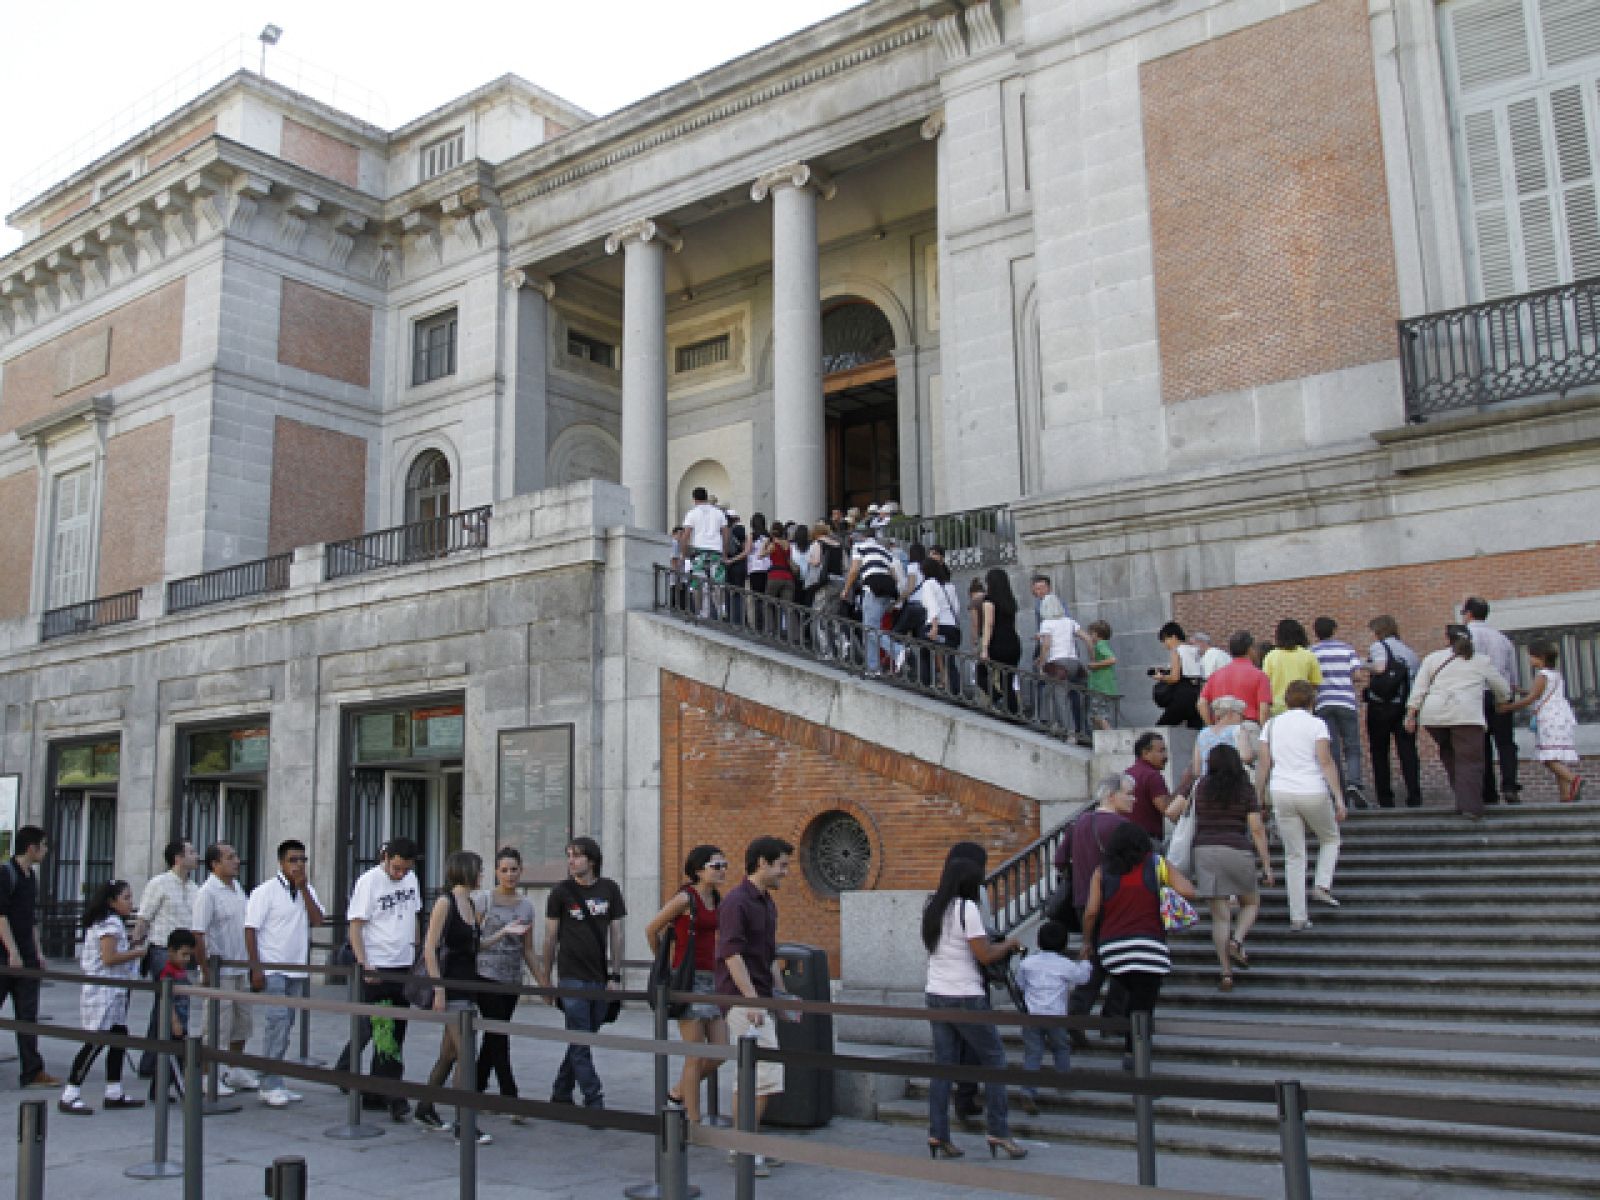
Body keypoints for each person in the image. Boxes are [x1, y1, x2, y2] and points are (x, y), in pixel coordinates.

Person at [921, 855, 1025, 1161]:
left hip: (936, 992)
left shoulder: (932, 906)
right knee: (995, 1060)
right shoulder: (967, 909)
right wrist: (1010, 945)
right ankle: (999, 1131)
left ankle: (938, 1134)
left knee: (944, 1067)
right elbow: (984, 954)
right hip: (965, 995)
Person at [1079, 823, 1194, 1064]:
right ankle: (1135, 1053)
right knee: (1144, 1001)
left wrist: (1087, 941)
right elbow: (1188, 890)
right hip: (1149, 945)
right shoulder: (1155, 863)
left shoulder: (1102, 871)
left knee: (1131, 991)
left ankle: (1126, 1034)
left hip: (1112, 947)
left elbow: (1091, 912)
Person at [715, 836, 793, 1177]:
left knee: (755, 1074)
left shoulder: (766, 902)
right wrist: (751, 1000)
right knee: (758, 1074)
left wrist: (782, 995)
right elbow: (731, 954)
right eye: (782, 865)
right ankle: (743, 1148)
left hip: (759, 998)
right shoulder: (737, 902)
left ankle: (748, 1145)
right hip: (743, 1000)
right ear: (762, 862)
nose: (786, 872)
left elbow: (769, 955)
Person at [1166, 744, 1272, 992]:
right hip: (1237, 849)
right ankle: (1237, 940)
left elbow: (1172, 813)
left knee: (1219, 917)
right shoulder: (1245, 789)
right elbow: (1256, 828)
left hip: (1205, 851)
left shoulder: (1199, 786)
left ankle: (1225, 973)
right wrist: (1266, 863)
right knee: (1251, 902)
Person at [337, 837, 421, 1123]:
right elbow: (356, 926)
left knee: (394, 1028)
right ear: (386, 857)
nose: (400, 874)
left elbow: (414, 916)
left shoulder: (411, 881)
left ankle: (368, 1085)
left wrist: (416, 954)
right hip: (378, 964)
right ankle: (394, 1094)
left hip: (403, 963)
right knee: (385, 1030)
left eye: (405, 869)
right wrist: (365, 964)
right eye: (396, 868)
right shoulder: (369, 882)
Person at [644, 844, 729, 1124]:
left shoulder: (716, 898)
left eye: (723, 865)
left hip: (711, 979)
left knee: (719, 1051)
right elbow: (652, 928)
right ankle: (693, 1121)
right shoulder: (685, 898)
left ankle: (678, 1093)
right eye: (715, 866)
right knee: (694, 1055)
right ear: (698, 870)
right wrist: (665, 964)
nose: (721, 870)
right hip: (688, 980)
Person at [542, 836, 626, 1109]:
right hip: (570, 975)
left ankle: (561, 1091)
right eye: (568, 855)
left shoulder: (609, 889)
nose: (571, 861)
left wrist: (615, 976)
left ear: (591, 860)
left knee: (583, 1036)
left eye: (576, 856)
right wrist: (545, 978)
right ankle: (594, 1097)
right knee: (580, 1035)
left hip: (599, 976)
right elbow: (550, 937)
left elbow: (617, 934)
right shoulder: (561, 892)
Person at [414, 851, 492, 1145]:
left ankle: (425, 1107)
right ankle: (464, 1124)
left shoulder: (470, 903)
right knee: (466, 1056)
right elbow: (429, 947)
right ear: (467, 871)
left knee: (449, 1054)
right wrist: (439, 988)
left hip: (468, 985)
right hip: (452, 989)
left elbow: (473, 946)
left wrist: (502, 934)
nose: (482, 874)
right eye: (480, 869)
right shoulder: (445, 903)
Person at [1259, 680, 1347, 929]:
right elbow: (1326, 761)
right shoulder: (1317, 724)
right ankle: (1322, 884)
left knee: (1294, 856)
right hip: (1312, 789)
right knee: (1330, 838)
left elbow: (1264, 764)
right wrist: (1338, 797)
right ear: (1312, 700)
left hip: (1281, 790)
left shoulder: (1272, 725)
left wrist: (1258, 797)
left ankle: (1298, 916)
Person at [244, 839, 325, 1108]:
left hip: (296, 968)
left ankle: (274, 1076)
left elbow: (317, 920)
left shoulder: (306, 889)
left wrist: (304, 890)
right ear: (281, 862)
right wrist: (256, 967)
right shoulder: (264, 892)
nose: (298, 865)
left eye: (302, 860)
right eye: (293, 860)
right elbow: (251, 929)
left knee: (287, 1023)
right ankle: (269, 1082)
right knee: (276, 1022)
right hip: (274, 966)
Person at [58, 880, 146, 1115]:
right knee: (97, 1039)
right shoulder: (109, 923)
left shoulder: (112, 922)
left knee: (119, 1036)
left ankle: (114, 1090)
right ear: (112, 901)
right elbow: (108, 958)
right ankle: (71, 1092)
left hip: (114, 989)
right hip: (103, 990)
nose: (131, 903)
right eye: (126, 898)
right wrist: (136, 952)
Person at [1406, 625, 1512, 821]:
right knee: (1470, 761)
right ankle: (1470, 807)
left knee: (1450, 756)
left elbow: (1419, 689)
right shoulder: (1480, 660)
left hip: (1434, 715)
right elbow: (1502, 688)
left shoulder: (1432, 658)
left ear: (1447, 639)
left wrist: (1411, 714)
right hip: (1466, 715)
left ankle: (1463, 800)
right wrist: (1502, 701)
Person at [1064, 775, 1136, 1047]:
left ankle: (1078, 1011)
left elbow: (1061, 860)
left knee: (1094, 959)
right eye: (1128, 794)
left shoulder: (1079, 824)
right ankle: (1113, 1019)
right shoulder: (1123, 827)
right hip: (1117, 903)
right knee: (1122, 960)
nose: (1133, 799)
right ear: (1111, 795)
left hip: (1083, 902)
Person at [474, 847, 544, 1109]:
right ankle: (509, 1095)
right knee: (499, 1035)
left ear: (521, 871)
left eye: (514, 869)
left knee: (494, 1035)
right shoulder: (484, 900)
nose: (509, 875)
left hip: (512, 978)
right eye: (504, 870)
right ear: (496, 872)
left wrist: (543, 982)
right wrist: (502, 932)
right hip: (485, 975)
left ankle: (477, 1087)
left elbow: (528, 949)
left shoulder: (526, 906)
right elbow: (474, 941)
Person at [190, 841, 257, 1095]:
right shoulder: (207, 893)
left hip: (240, 966)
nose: (236, 861)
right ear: (215, 864)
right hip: (220, 968)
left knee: (242, 1022)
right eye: (230, 857)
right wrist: (206, 970)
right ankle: (209, 1074)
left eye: (236, 856)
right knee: (217, 1023)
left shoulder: (237, 888)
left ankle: (235, 1068)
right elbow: (199, 933)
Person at [1, 825, 60, 1090]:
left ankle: (32, 1071)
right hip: (4, 957)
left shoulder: (30, 877)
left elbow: (30, 919)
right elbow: (1, 916)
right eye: (43, 846)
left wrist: (37, 952)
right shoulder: (6, 873)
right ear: (31, 848)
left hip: (26, 957)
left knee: (28, 1016)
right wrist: (12, 951)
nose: (46, 851)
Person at [134, 837, 199, 1079]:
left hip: (184, 952)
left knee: (163, 1007)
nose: (196, 855)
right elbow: (144, 917)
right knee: (175, 1002)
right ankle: (172, 1058)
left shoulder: (194, 888)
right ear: (178, 858)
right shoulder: (159, 883)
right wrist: (136, 942)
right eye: (191, 851)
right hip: (162, 949)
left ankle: (152, 1061)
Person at [1013, 920, 1091, 1115]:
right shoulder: (1065, 964)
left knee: (1033, 1053)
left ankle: (1028, 1090)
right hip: (1056, 1016)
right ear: (1064, 944)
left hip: (1032, 1015)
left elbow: (1019, 984)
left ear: (1038, 942)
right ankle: (1062, 1082)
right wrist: (1085, 961)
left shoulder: (1027, 963)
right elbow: (1083, 977)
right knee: (1061, 1048)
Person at [1499, 641, 1583, 803]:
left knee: (1548, 758)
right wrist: (1520, 690)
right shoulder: (1555, 674)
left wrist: (1508, 708)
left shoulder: (1542, 675)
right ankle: (1565, 795)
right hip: (1561, 717)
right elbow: (1539, 692)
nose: (1530, 659)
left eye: (1532, 656)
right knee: (1556, 756)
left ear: (1541, 657)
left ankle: (1574, 780)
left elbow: (1532, 697)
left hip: (1549, 718)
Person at [1461, 598, 1523, 804]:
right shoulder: (1502, 638)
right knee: (1505, 743)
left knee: (1481, 744)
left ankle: (1488, 792)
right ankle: (1510, 786)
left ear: (1469, 614)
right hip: (1501, 693)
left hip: (1477, 694)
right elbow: (1512, 673)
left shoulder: (1466, 636)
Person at [1311, 617, 1369, 809]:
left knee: (1331, 749)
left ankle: (1340, 792)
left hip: (1323, 702)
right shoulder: (1347, 649)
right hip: (1345, 701)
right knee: (1352, 746)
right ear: (1334, 629)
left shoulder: (1313, 651)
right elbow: (1358, 675)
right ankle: (1354, 783)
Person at [1365, 616, 1422, 809]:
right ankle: (1414, 796)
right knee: (1408, 752)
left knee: (1380, 753)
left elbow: (1379, 667)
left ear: (1379, 631)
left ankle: (1385, 799)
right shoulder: (1409, 652)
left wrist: (1363, 666)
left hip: (1380, 707)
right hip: (1404, 707)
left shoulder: (1378, 647)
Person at [843, 525, 902, 677]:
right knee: (870, 628)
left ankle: (897, 650)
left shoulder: (859, 547)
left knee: (870, 630)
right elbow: (894, 576)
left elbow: (854, 570)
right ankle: (872, 668)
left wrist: (846, 589)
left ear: (862, 537)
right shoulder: (884, 550)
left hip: (872, 592)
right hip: (888, 592)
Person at [150, 929, 197, 1101]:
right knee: (175, 1060)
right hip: (171, 1023)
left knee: (171, 1060)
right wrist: (174, 1020)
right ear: (170, 951)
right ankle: (185, 1092)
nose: (186, 959)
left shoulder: (180, 971)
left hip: (182, 1020)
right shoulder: (167, 973)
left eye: (189, 955)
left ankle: (158, 1090)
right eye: (183, 954)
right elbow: (166, 1000)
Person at [1035, 594, 1089, 733]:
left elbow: (1046, 645)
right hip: (1074, 663)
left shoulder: (1046, 623)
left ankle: (1069, 731)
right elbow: (1087, 638)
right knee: (1048, 691)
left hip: (1057, 663)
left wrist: (1041, 663)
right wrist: (1092, 657)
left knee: (1060, 698)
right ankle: (1053, 723)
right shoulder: (1070, 621)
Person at [1198, 631, 1273, 727]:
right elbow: (1264, 709)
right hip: (1248, 726)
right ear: (1250, 649)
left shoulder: (1216, 675)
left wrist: (1211, 725)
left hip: (1221, 725)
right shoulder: (1260, 676)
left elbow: (1201, 703)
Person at [977, 568, 1023, 713]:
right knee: (1007, 681)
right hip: (1013, 643)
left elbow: (989, 624)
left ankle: (997, 698)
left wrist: (984, 648)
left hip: (997, 643)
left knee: (980, 674)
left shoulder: (989, 600)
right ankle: (1013, 712)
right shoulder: (1010, 601)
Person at [679, 487, 729, 617]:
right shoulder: (718, 513)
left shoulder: (692, 513)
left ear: (694, 499)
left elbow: (686, 535)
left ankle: (700, 611)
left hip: (699, 551)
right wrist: (725, 553)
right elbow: (725, 533)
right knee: (717, 582)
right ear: (706, 497)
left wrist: (684, 555)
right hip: (716, 551)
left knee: (698, 584)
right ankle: (721, 608)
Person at [1263, 619, 1322, 718]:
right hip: (1302, 707)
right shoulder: (1308, 655)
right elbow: (1315, 684)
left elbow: (1265, 683)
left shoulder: (1271, 656)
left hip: (1277, 708)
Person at [1152, 621, 1203, 727]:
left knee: (1161, 728)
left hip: (1182, 695)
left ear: (1174, 637)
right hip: (1198, 694)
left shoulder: (1177, 651)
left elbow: (1175, 677)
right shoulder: (1195, 651)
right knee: (1195, 732)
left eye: (1165, 640)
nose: (1165, 644)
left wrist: (1161, 677)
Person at [1127, 732, 1174, 840]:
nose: (1166, 756)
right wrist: (1185, 783)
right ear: (1145, 753)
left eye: (1165, 750)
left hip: (1127, 840)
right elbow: (1168, 809)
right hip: (1147, 841)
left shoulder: (1127, 773)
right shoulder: (1152, 776)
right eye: (1161, 751)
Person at [1084, 620, 1119, 730]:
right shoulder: (1101, 645)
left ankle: (1110, 736)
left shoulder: (1100, 645)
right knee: (1096, 716)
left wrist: (1095, 665)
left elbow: (1112, 659)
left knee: (1098, 715)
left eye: (1091, 634)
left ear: (1096, 634)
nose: (1090, 636)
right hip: (1103, 686)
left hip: (1100, 686)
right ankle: (1101, 737)